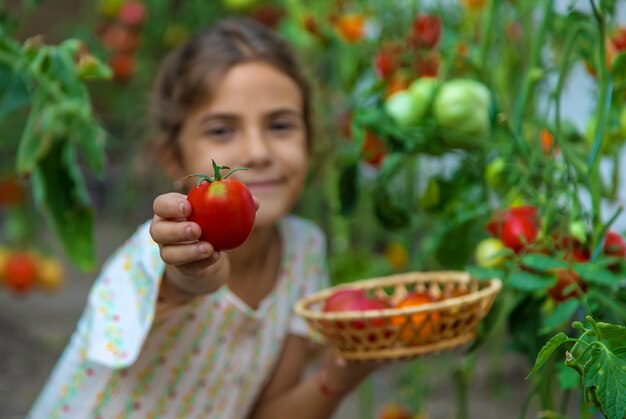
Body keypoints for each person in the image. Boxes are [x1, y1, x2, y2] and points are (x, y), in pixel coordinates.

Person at [28, 17, 381, 418]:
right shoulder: (158, 248)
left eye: (280, 125)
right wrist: (195, 270)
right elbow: (180, 280)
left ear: (310, 140)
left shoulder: (304, 248)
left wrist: (336, 379)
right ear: (173, 158)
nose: (257, 151)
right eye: (221, 131)